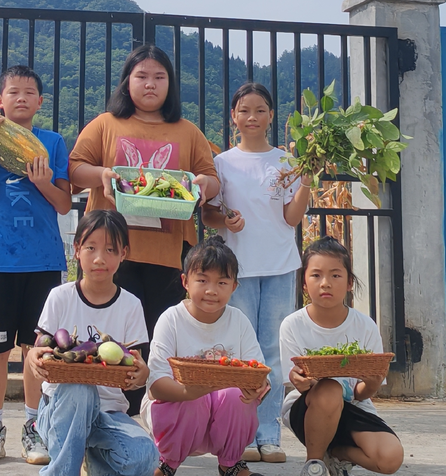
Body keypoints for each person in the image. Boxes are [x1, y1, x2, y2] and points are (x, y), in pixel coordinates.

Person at [69, 44, 220, 414]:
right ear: (127, 82)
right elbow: (73, 170)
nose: (150, 85)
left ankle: (147, 418)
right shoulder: (105, 124)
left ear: (170, 85)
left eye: (159, 77)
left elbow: (212, 179)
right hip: (110, 254)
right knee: (104, 336)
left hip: (168, 255)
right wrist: (104, 174)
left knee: (155, 338)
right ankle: (101, 413)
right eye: (141, 76)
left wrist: (200, 185)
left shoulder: (187, 131)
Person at [0, 65, 73, 466]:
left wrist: (42, 181)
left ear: (40, 102)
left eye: (29, 92)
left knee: (36, 348)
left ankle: (33, 427)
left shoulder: (52, 142)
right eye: (13, 92)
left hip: (42, 260)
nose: (21, 98)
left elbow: (63, 203)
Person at [201, 82, 311, 464]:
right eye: (244, 110)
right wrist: (227, 217)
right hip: (238, 269)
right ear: (233, 116)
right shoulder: (222, 163)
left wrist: (307, 183)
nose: (252, 117)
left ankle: (269, 435)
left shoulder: (286, 162)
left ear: (271, 116)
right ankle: (243, 433)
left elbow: (291, 218)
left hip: (281, 266)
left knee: (273, 353)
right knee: (242, 354)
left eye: (260, 109)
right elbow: (208, 213)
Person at [26, 210, 159, 476]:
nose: (100, 258)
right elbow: (38, 349)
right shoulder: (60, 297)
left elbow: (137, 364)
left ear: (124, 253)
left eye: (110, 250)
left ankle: (92, 458)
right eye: (91, 247)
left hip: (109, 414)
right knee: (80, 389)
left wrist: (142, 375)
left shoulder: (131, 305)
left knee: (145, 457)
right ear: (77, 250)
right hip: (59, 411)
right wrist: (33, 358)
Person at [142, 236, 271, 476]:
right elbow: (156, 385)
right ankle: (168, 463)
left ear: (234, 286)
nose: (211, 290)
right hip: (179, 413)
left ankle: (231, 464)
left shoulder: (239, 321)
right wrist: (189, 392)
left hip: (224, 416)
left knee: (236, 394)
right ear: (185, 282)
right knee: (193, 394)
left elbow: (259, 373)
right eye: (202, 280)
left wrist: (258, 388)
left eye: (222, 282)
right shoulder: (171, 319)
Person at [279, 238, 404, 476]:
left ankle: (336, 452)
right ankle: (314, 464)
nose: (325, 283)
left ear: (349, 282)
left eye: (335, 276)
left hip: (354, 405)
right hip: (307, 408)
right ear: (304, 283)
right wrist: (301, 381)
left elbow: (361, 393)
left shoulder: (364, 326)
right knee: (329, 389)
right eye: (316, 275)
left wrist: (373, 383)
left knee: (390, 459)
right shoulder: (293, 325)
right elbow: (298, 384)